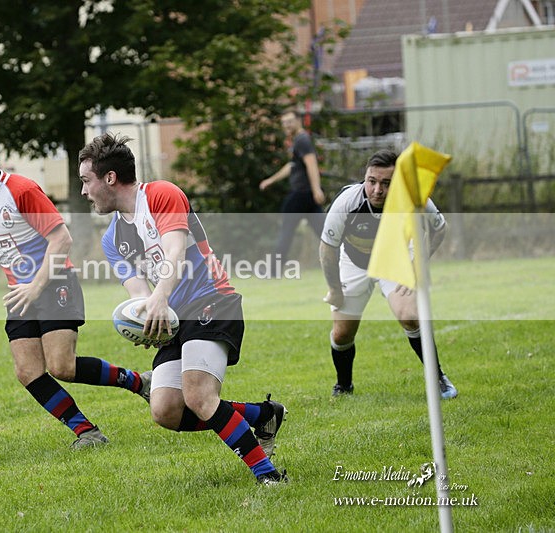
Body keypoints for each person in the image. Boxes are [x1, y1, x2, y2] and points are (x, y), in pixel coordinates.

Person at [79, 132, 287, 485]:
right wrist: (146, 321)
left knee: (199, 395)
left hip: (211, 300)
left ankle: (268, 475)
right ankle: (262, 415)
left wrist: (159, 297)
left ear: (109, 178)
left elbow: (175, 249)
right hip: (175, 321)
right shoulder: (111, 240)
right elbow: (139, 295)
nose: (84, 191)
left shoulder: (161, 194)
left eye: (87, 181)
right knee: (165, 411)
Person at [0, 123, 151, 449]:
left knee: (62, 366)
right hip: (19, 293)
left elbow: (61, 239)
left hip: (55, 282)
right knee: (28, 371)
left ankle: (137, 382)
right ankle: (87, 432)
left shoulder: (21, 190)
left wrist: (36, 286)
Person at [319, 149, 458, 399]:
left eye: (385, 183)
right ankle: (344, 385)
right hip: (354, 262)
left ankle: (438, 378)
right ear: (365, 178)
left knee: (410, 316)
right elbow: (327, 249)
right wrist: (335, 289)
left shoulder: (414, 197)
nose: (377, 190)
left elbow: (439, 228)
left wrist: (418, 265)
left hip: (396, 258)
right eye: (372, 181)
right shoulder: (347, 202)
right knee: (342, 334)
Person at [260, 111, 326, 276]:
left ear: (299, 121)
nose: (287, 126)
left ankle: (273, 271)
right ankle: (347, 261)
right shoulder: (297, 141)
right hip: (307, 196)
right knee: (326, 234)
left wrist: (316, 188)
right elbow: (292, 166)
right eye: (284, 123)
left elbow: (311, 164)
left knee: (286, 231)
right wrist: (271, 180)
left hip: (301, 194)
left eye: (290, 122)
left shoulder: (302, 139)